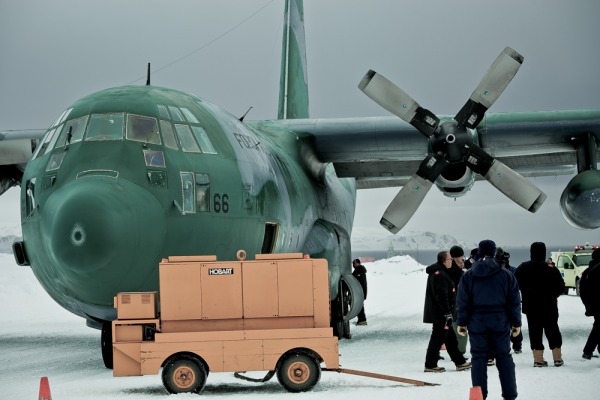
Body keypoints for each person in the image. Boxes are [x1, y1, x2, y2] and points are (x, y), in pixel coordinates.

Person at [456, 239, 521, 400]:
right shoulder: (506, 274)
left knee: (478, 358)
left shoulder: (469, 275)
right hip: (500, 320)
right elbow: (514, 301)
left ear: (478, 252)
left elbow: (462, 301)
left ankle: (479, 395)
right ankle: (510, 395)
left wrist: (462, 322)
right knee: (504, 357)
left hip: (477, 321)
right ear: (494, 252)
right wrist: (516, 323)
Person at [514, 242, 565, 367]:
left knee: (534, 332)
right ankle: (557, 358)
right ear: (544, 252)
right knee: (553, 330)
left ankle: (538, 359)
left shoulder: (523, 267)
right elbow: (561, 287)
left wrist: (526, 292)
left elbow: (514, 285)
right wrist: (552, 295)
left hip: (531, 307)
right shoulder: (551, 268)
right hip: (549, 306)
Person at [423, 251, 471, 373]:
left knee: (450, 340)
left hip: (442, 314)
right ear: (444, 261)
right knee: (437, 339)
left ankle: (460, 362)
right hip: (441, 315)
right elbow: (441, 297)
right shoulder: (440, 275)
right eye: (450, 259)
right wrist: (447, 313)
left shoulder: (442, 273)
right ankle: (430, 364)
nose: (452, 261)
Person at [580, 248, 600, 359]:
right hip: (598, 304)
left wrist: (587, 304)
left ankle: (589, 350)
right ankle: (587, 351)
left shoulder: (588, 271)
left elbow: (582, 289)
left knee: (598, 326)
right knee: (598, 327)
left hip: (592, 304)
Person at [448, 245, 468, 355]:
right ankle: (460, 352)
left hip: (454, 306)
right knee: (460, 331)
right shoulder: (456, 273)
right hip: (456, 306)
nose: (462, 263)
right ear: (455, 259)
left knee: (454, 330)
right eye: (461, 260)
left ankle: (458, 351)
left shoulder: (448, 270)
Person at [352, 258, 368, 326]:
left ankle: (362, 320)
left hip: (360, 292)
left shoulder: (359, 271)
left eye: (355, 263)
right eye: (353, 263)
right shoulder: (359, 270)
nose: (353, 265)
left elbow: (357, 280)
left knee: (360, 306)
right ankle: (361, 319)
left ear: (359, 263)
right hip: (360, 291)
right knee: (360, 306)